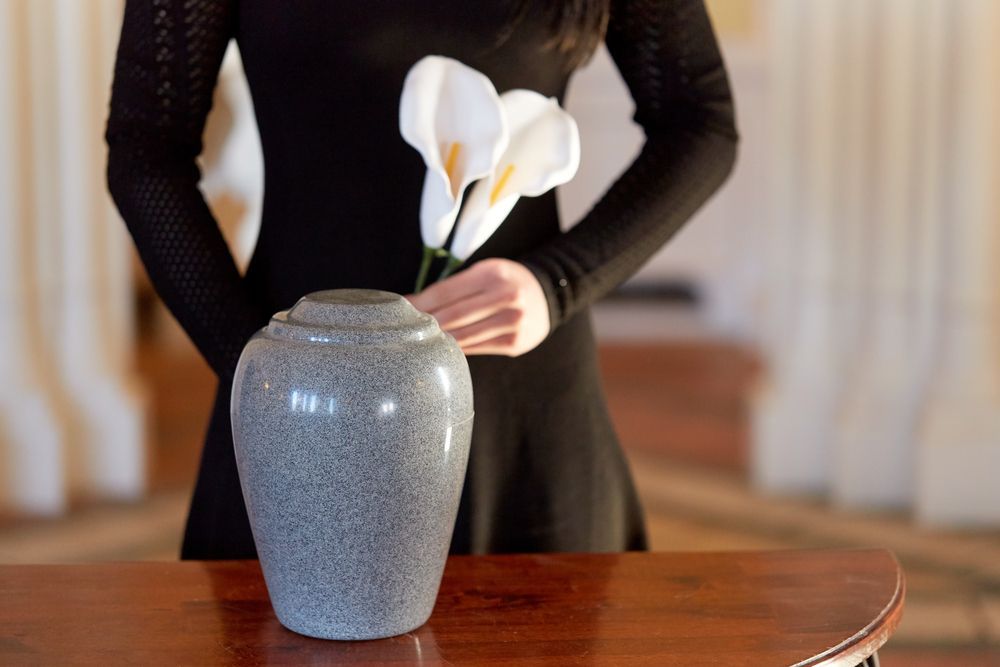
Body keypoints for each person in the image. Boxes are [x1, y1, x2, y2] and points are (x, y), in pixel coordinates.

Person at [105, 0, 738, 559]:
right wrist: (259, 368)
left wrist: (560, 282)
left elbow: (699, 119)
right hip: (295, 402)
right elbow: (146, 146)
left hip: (519, 408)